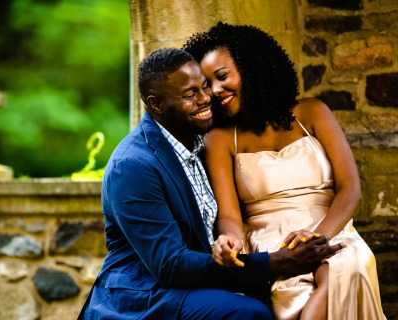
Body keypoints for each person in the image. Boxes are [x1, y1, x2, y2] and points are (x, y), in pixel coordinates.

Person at [77, 47, 344, 320]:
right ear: (156, 104)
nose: (206, 98)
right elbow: (170, 265)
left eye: (204, 87)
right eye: (189, 94)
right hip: (144, 294)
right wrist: (273, 263)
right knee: (249, 313)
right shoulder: (133, 165)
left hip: (197, 280)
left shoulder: (198, 142)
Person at [183, 22, 386, 320]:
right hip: (271, 243)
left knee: (348, 267)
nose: (215, 90)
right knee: (299, 294)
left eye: (222, 76)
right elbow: (229, 216)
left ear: (252, 67)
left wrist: (317, 238)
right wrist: (229, 241)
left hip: (330, 230)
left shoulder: (313, 112)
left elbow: (350, 189)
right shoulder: (220, 138)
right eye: (207, 85)